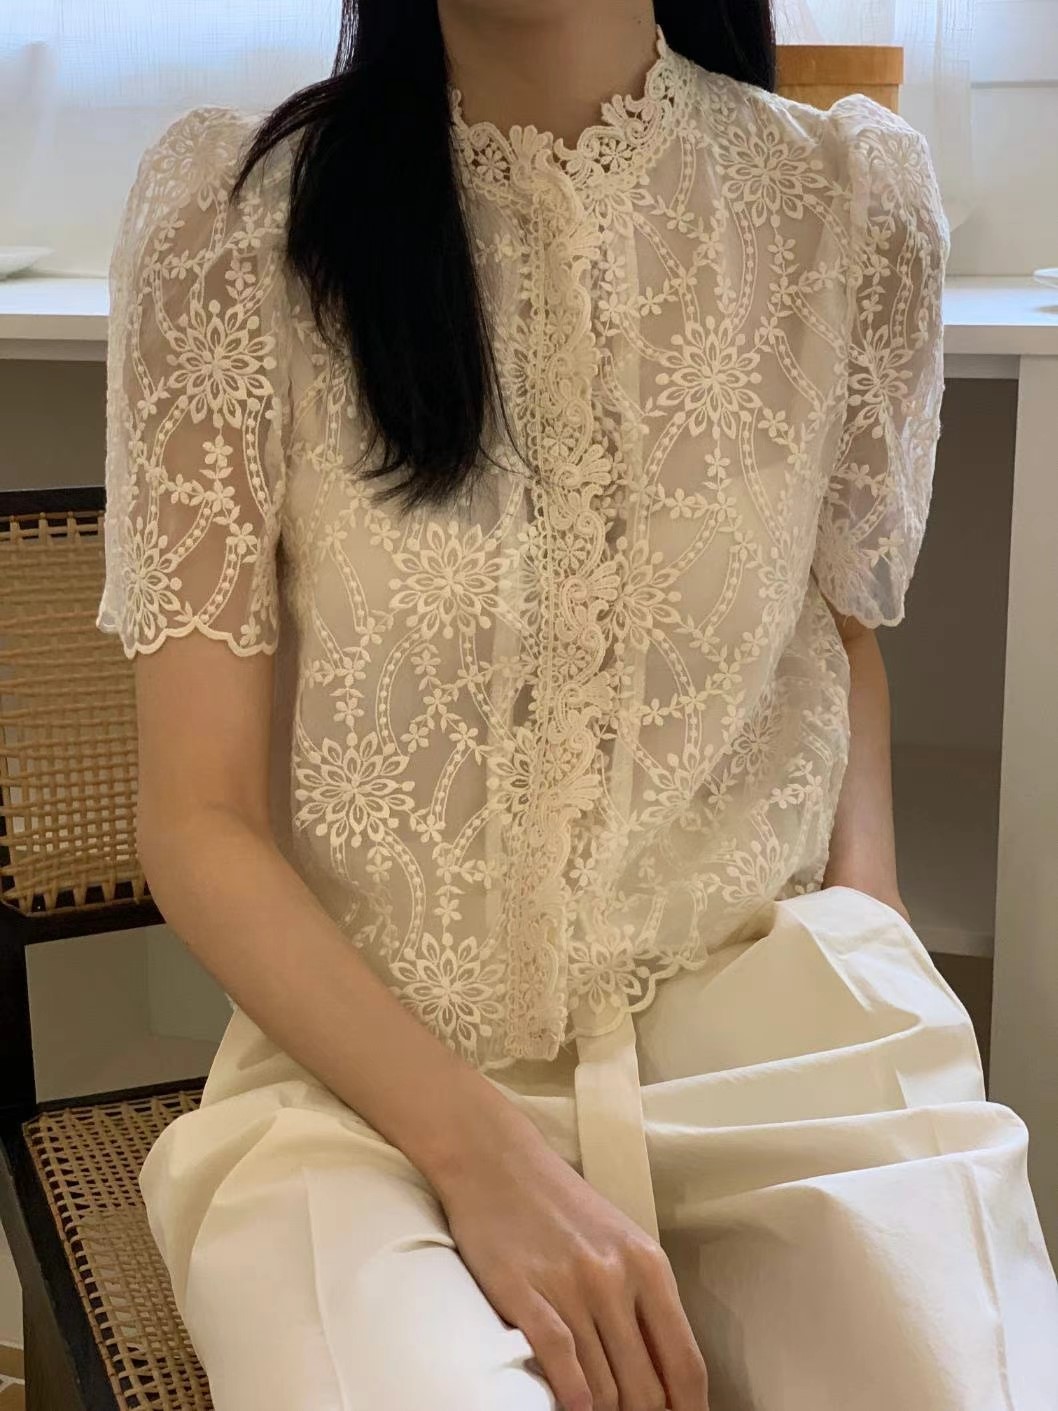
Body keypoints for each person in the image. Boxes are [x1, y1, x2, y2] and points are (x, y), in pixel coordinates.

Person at [96, 1, 1058, 1407]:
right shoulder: (240, 221)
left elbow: (835, 631)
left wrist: (874, 930)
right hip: (364, 1093)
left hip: (783, 1038)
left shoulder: (845, 206)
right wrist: (480, 1158)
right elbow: (201, 818)